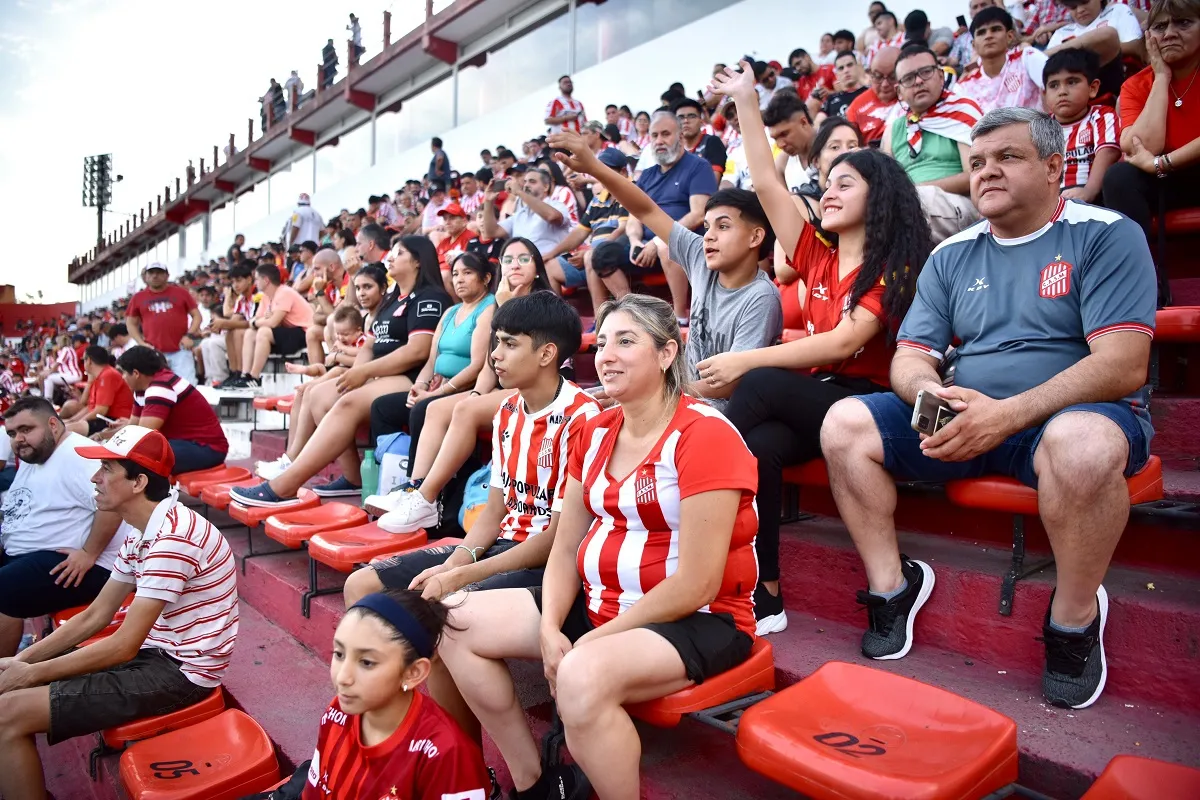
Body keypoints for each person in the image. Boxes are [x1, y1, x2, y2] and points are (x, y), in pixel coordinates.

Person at [820, 108, 1156, 709]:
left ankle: (1074, 620)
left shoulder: (1105, 233)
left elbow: (1123, 363)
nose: (987, 172)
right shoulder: (951, 254)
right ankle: (891, 588)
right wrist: (933, 399)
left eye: (1008, 157)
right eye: (976, 162)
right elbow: (910, 357)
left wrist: (1007, 413)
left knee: (1080, 444)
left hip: (1067, 418)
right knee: (844, 423)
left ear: (1055, 167)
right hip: (967, 416)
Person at [438, 294, 760, 800]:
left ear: (667, 353)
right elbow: (566, 548)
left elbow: (698, 582)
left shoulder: (706, 434)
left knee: (580, 674)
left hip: (700, 617)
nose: (607, 354)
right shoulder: (593, 430)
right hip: (601, 604)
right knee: (451, 620)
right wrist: (548, 628)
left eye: (626, 341)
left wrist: (587, 643)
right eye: (603, 341)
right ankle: (535, 782)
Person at [703, 62, 931, 636]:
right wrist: (747, 102)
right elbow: (764, 184)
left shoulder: (896, 263)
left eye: (844, 184)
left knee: (754, 384)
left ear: (878, 197)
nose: (827, 193)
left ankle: (690, 487)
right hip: (822, 397)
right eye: (826, 183)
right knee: (758, 447)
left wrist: (744, 358)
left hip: (874, 403)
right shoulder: (817, 255)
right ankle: (767, 589)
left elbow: (847, 339)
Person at [0, 425, 238, 800]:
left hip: (180, 674)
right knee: (11, 693)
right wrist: (19, 662)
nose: (95, 478)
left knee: (7, 714)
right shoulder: (141, 527)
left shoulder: (173, 539)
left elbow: (123, 645)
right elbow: (95, 615)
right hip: (154, 655)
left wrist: (28, 672)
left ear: (138, 482)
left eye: (107, 470)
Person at [551, 129, 782, 414]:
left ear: (755, 237)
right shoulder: (701, 256)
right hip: (680, 394)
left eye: (722, 226)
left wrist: (655, 392)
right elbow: (647, 210)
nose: (708, 236)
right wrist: (596, 168)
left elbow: (732, 382)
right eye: (707, 227)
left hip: (717, 411)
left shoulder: (761, 297)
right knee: (585, 405)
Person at [231, 237, 451, 505]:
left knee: (346, 401)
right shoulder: (393, 297)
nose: (390, 258)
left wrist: (364, 373)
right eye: (391, 252)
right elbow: (370, 344)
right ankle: (351, 477)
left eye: (400, 253)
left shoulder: (431, 297)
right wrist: (357, 374)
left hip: (412, 377)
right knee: (320, 395)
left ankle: (285, 486)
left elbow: (417, 350)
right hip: (379, 373)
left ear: (418, 260)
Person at [364, 239, 554, 523]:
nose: (515, 264)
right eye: (508, 259)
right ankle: (417, 492)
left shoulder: (546, 303)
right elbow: (494, 359)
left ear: (537, 267)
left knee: (461, 409)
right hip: (503, 388)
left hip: (537, 389)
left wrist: (505, 306)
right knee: (434, 408)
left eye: (524, 259)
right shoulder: (485, 307)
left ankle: (427, 497)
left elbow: (524, 357)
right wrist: (477, 392)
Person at [247, 590, 488, 800]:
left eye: (366, 662)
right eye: (339, 654)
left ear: (413, 673)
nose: (343, 677)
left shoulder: (447, 756)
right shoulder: (337, 713)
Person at [0, 397, 124, 658]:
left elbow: (114, 503)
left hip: (83, 565)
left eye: (26, 429)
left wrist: (89, 553)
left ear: (53, 425)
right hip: (37, 554)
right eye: (12, 433)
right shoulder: (38, 455)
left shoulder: (78, 455)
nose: (18, 439)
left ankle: (6, 678)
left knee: (4, 591)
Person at [1104, 0, 1200, 304]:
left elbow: (1153, 156)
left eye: (1183, 23)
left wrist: (1164, 162)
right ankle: (1143, 284)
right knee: (1119, 177)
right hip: (1165, 182)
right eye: (1160, 26)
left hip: (1176, 168)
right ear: (1149, 36)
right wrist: (1161, 78)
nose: (1169, 33)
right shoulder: (1136, 84)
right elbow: (1139, 147)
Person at [362, 252, 496, 464]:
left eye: (467, 273)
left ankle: (416, 481)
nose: (459, 279)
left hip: (464, 389)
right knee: (381, 407)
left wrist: (438, 392)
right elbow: (432, 361)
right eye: (455, 274)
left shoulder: (488, 309)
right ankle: (390, 472)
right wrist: (419, 387)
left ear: (486, 278)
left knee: (421, 409)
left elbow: (477, 365)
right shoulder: (451, 312)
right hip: (438, 386)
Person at [257, 266, 388, 480]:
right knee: (305, 391)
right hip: (353, 372)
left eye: (368, 287)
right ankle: (290, 459)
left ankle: (296, 463)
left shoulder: (383, 317)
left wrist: (338, 356)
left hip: (370, 377)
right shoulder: (364, 317)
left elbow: (368, 358)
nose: (362, 292)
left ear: (383, 288)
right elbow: (321, 319)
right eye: (358, 287)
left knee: (314, 390)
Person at [883, 45, 984, 242]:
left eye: (926, 72)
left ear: (940, 76)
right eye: (909, 78)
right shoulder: (893, 129)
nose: (919, 81)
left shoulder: (963, 112)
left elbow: (976, 175)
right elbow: (885, 182)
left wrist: (914, 190)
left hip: (958, 205)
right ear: (899, 92)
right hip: (907, 204)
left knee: (921, 201)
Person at [625, 110, 719, 322]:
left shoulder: (698, 166)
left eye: (665, 134)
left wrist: (659, 239)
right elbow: (634, 216)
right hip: (647, 242)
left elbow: (698, 214)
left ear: (680, 137)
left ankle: (680, 315)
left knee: (668, 246)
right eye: (654, 135)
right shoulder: (647, 175)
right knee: (601, 254)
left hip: (685, 240)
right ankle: (627, 313)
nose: (659, 140)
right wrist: (634, 241)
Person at [110, 346, 229, 474]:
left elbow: (143, 434)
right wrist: (105, 437)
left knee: (142, 455)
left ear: (136, 373)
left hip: (207, 448)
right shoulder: (142, 389)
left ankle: (155, 493)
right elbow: (133, 427)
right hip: (185, 443)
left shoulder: (161, 386)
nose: (122, 378)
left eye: (123, 373)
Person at [543, 149, 630, 304]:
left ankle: (599, 318)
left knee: (592, 257)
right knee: (550, 265)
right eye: (599, 169)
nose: (601, 174)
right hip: (593, 253)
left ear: (623, 172)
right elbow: (579, 233)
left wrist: (591, 251)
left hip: (617, 250)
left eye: (607, 169)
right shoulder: (596, 200)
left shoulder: (629, 191)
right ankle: (557, 321)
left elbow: (622, 229)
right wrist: (552, 253)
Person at [1045, 49, 1120, 204]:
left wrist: (1089, 190)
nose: (1062, 92)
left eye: (1072, 82)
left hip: (1091, 194)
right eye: (1054, 85)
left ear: (1093, 88)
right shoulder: (1040, 127)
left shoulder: (1101, 116)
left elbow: (1108, 152)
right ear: (1045, 94)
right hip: (1047, 199)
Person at [229, 263, 315, 390]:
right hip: (287, 332)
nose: (255, 282)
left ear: (266, 280)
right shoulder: (265, 296)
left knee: (263, 331)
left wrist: (261, 321)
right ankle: (245, 375)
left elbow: (272, 322)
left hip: (302, 332)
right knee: (250, 333)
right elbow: (257, 319)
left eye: (257, 279)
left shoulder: (284, 292)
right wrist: (262, 320)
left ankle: (254, 377)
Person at [1047, 0, 1146, 98]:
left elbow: (1135, 46)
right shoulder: (1061, 33)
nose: (1080, 10)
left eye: (1085, 2)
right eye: (1073, 7)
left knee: (1107, 34)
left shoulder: (1117, 10)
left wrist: (1099, 47)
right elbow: (1043, 66)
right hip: (1071, 90)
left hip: (1115, 79)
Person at [956, 7, 1049, 112]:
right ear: (974, 45)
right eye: (981, 32)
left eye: (995, 29)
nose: (988, 36)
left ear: (1010, 36)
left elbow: (1056, 90)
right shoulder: (964, 86)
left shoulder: (1027, 58)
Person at [125, 263, 201, 384]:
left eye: (159, 272)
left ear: (167, 275)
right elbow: (130, 323)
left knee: (186, 387)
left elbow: (197, 316)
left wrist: (189, 335)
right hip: (153, 352)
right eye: (151, 273)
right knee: (156, 388)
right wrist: (141, 342)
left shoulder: (181, 293)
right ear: (146, 276)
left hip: (180, 349)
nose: (155, 276)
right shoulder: (138, 297)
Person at [480, 168, 572, 257]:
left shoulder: (557, 205)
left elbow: (552, 216)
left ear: (546, 186)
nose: (526, 185)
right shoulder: (519, 214)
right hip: (525, 266)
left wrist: (519, 192)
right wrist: (488, 201)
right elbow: (491, 232)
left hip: (551, 265)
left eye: (532, 181)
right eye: (525, 182)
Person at [65, 346, 134, 438]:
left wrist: (78, 423)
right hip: (107, 418)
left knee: (68, 429)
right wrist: (72, 420)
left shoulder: (108, 375)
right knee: (67, 425)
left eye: (83, 361)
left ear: (89, 360)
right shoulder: (101, 375)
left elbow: (100, 410)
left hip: (115, 421)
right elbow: (90, 407)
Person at [208, 262, 258, 388]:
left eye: (239, 281)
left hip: (262, 332)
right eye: (233, 282)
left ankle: (242, 374)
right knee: (230, 331)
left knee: (237, 331)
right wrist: (219, 325)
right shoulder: (241, 299)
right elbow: (235, 319)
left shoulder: (258, 295)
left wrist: (224, 323)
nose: (235, 285)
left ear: (249, 279)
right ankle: (234, 373)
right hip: (251, 332)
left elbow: (252, 323)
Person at [761, 91, 817, 194]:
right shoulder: (782, 163)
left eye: (784, 134)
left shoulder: (833, 147)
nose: (780, 145)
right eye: (775, 138)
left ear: (803, 123)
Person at [847, 46, 902, 146]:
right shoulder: (857, 106)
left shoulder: (911, 96)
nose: (885, 84)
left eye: (892, 77)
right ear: (870, 74)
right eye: (878, 76)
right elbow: (852, 146)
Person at [672, 96, 728, 179]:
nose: (686, 121)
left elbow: (712, 183)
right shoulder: (673, 150)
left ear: (701, 121)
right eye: (681, 117)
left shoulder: (712, 142)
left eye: (691, 116)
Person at [813, 51, 869, 124]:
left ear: (858, 67)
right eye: (841, 68)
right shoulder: (831, 100)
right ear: (837, 75)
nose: (846, 70)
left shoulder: (871, 92)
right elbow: (817, 125)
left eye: (850, 65)